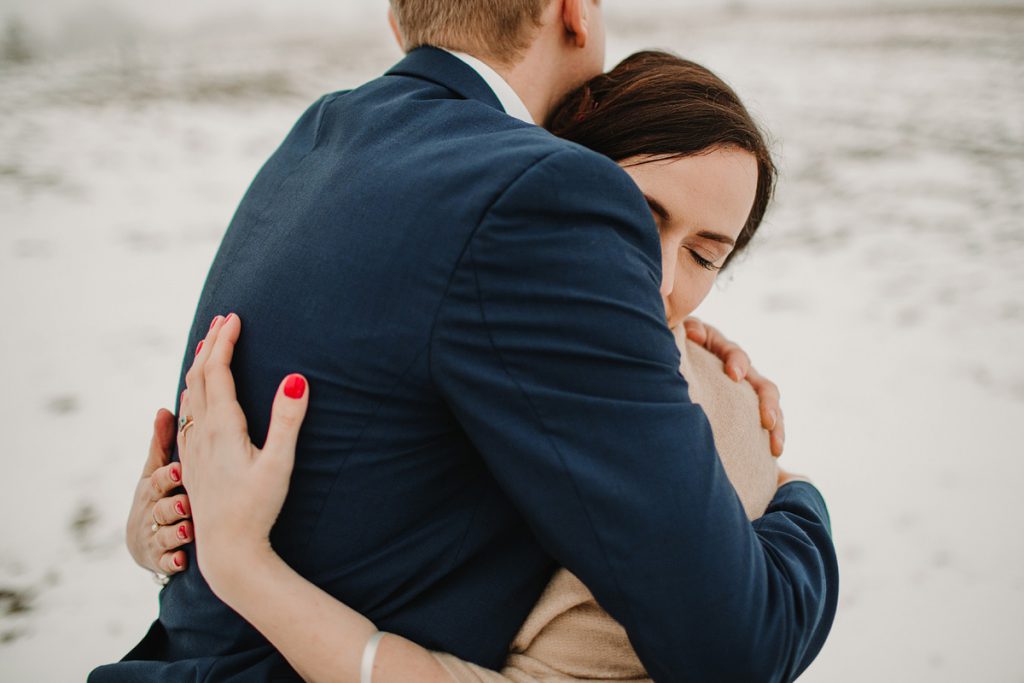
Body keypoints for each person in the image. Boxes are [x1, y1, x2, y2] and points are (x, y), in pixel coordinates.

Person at [92, 2, 837, 681]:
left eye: (708, 257)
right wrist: (793, 494)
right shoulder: (539, 193)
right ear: (572, 11)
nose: (655, 278)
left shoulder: (323, 136)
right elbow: (740, 647)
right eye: (635, 228)